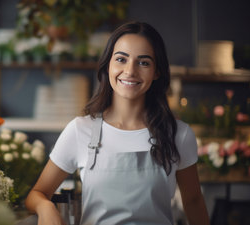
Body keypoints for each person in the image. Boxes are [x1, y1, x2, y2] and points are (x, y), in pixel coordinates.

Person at [25, 21, 210, 225]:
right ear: (108, 65)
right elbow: (37, 193)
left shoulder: (179, 135)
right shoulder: (80, 130)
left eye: (144, 62)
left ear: (157, 72)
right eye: (121, 59)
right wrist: (46, 207)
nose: (130, 71)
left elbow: (193, 202)